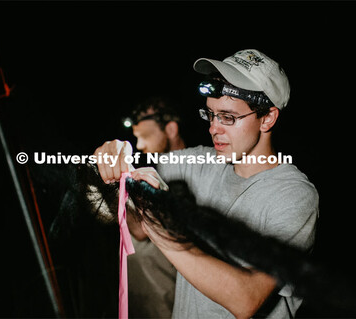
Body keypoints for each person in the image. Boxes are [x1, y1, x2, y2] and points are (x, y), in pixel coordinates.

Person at [94, 49, 319, 319]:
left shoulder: (293, 195)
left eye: (228, 117)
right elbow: (132, 171)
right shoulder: (202, 162)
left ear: (268, 118)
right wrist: (116, 154)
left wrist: (161, 230)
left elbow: (246, 298)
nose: (214, 128)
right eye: (210, 114)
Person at [127, 97, 186, 319]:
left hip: (175, 300)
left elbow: (140, 232)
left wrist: (121, 190)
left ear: (170, 129)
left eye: (145, 137)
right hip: (146, 301)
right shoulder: (153, 171)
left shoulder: (197, 170)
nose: (140, 146)